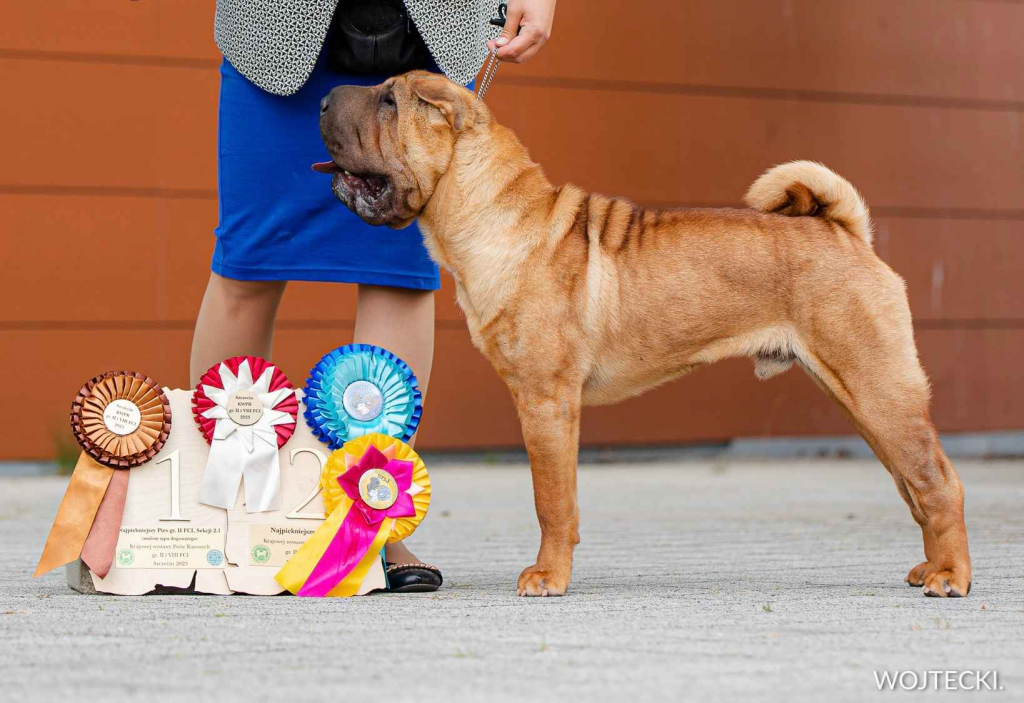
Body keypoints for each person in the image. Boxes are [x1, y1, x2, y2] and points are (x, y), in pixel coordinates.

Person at [190, 0, 558, 592]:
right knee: (248, 264)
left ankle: (373, 520)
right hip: (274, 34)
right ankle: (224, 510)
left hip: (430, 30)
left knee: (400, 270)